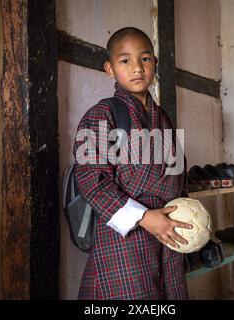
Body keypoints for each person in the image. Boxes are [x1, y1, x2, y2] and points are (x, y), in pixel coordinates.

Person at [72, 27, 192, 300]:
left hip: (166, 236)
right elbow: (91, 181)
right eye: (125, 60)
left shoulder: (163, 118)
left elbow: (177, 172)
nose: (137, 67)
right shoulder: (101, 114)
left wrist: (185, 213)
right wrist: (144, 217)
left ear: (155, 63)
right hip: (125, 240)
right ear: (110, 68)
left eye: (145, 59)